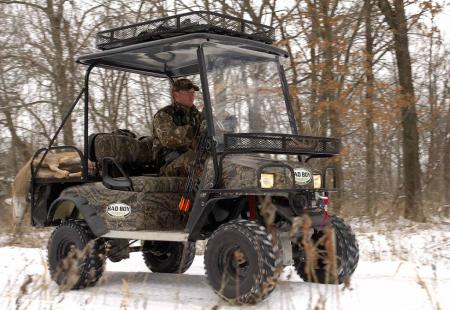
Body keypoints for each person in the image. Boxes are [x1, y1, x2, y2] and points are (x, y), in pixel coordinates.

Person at [153, 78, 204, 176]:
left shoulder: (196, 115)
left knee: (217, 159)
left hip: (192, 156)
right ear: (176, 94)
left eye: (193, 92)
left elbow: (207, 129)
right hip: (169, 163)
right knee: (196, 161)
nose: (192, 95)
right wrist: (193, 130)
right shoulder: (164, 115)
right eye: (188, 92)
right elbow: (168, 139)